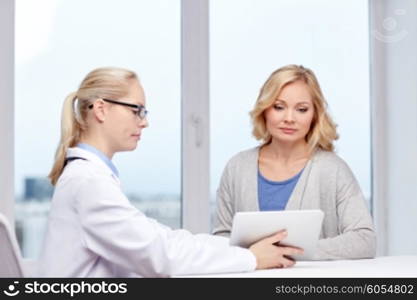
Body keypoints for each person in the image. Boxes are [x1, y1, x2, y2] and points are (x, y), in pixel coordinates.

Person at [37, 67, 303, 277]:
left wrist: (239, 248)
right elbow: (160, 255)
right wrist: (251, 258)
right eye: (136, 110)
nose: (144, 121)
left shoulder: (91, 177)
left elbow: (160, 238)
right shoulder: (88, 183)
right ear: (101, 109)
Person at [213, 65, 376, 260]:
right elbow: (221, 240)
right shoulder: (237, 168)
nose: (289, 118)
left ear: (314, 115)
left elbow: (364, 240)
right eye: (279, 107)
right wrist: (254, 257)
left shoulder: (333, 170)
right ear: (264, 110)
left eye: (301, 109)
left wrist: (293, 252)